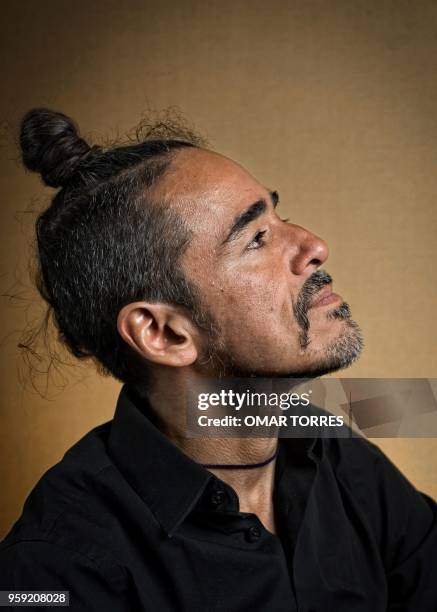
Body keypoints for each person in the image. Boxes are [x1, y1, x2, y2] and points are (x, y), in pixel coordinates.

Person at [0, 108, 435, 611]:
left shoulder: (325, 446)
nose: (315, 245)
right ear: (163, 333)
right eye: (256, 239)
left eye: (278, 215)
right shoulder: (55, 569)